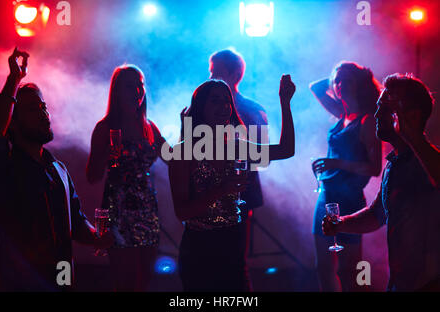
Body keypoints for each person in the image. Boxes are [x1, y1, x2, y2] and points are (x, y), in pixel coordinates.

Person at [0, 48, 113, 291]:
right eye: (34, 109)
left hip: (62, 279)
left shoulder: (58, 169)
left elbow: (76, 223)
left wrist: (99, 237)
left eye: (44, 106)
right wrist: (14, 80)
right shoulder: (5, 165)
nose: (45, 114)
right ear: (13, 121)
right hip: (20, 282)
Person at [169, 75, 295, 291]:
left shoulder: (237, 146)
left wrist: (285, 102)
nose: (223, 106)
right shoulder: (183, 152)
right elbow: (182, 212)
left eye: (226, 101)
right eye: (215, 100)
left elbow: (286, 150)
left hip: (233, 244)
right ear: (200, 107)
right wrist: (221, 190)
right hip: (199, 250)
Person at [323, 73, 440, 292]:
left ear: (412, 116)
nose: (377, 114)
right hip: (400, 283)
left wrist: (412, 135)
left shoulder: (427, 162)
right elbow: (377, 214)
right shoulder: (395, 163)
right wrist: (341, 222)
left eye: (385, 109)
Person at [86, 64, 167, 291]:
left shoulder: (149, 127)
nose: (136, 91)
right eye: (129, 86)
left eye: (139, 85)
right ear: (117, 91)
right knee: (125, 283)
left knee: (144, 281)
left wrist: (188, 127)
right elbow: (92, 176)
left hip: (147, 211)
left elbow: (173, 158)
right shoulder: (105, 128)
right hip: (118, 212)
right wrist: (110, 153)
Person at [309, 61, 382, 292]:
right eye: (337, 81)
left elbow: (374, 168)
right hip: (326, 196)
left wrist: (336, 163)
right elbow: (316, 87)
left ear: (358, 84)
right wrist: (339, 71)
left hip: (349, 199)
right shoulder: (342, 114)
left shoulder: (366, 120)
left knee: (348, 269)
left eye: (345, 80)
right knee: (322, 266)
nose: (339, 85)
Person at [208, 50, 268, 286]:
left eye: (216, 71)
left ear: (234, 74)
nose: (211, 76)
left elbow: (263, 158)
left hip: (240, 194)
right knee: (210, 263)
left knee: (234, 262)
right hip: (208, 193)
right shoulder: (202, 109)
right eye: (210, 70)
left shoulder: (252, 110)